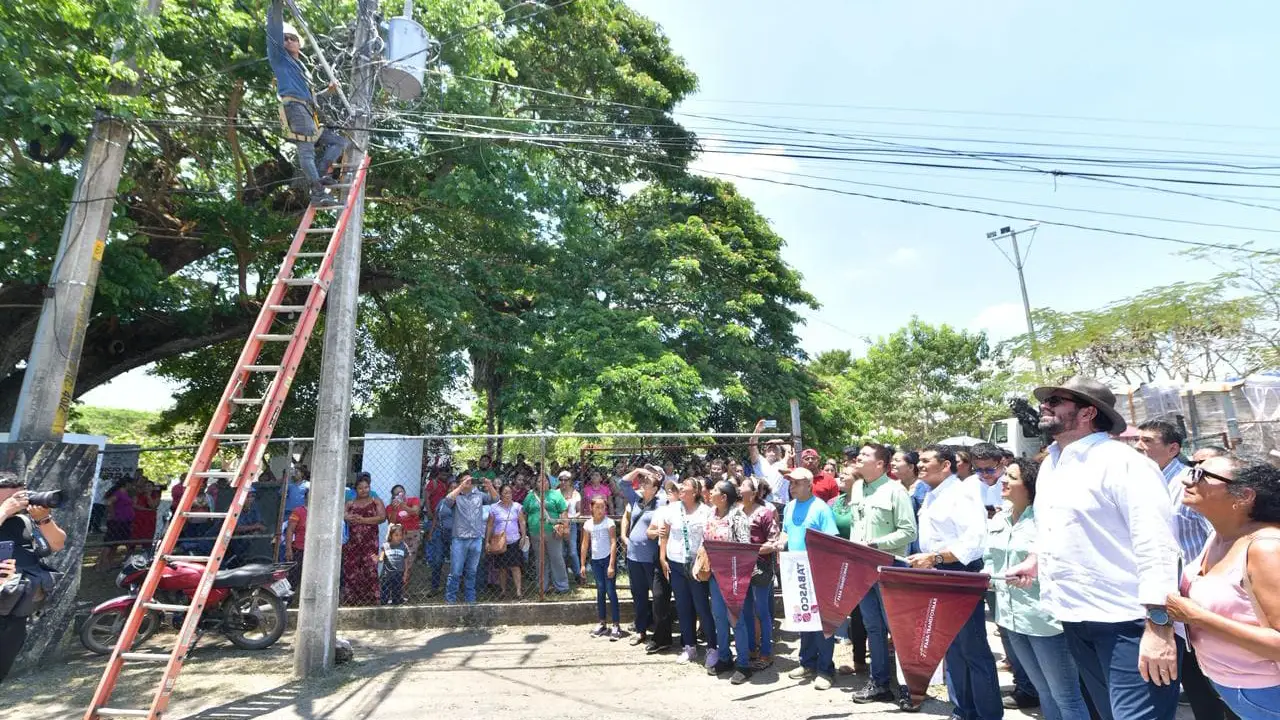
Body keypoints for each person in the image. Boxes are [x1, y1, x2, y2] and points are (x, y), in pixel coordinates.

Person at [1008, 376, 1182, 720]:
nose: (1044, 405)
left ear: (1088, 412)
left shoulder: (1124, 463)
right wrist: (1036, 559)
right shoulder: (1052, 464)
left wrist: (1159, 627)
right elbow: (1056, 526)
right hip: (1075, 616)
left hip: (1127, 622)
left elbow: (1157, 546)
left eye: (1056, 400)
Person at [1168, 459, 1280, 720]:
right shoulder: (1220, 537)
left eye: (1201, 474)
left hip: (1268, 691)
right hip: (1237, 686)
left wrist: (1196, 617)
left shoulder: (1266, 549)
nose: (1187, 480)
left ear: (1244, 496)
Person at [1137, 421, 1231, 720]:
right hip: (1171, 602)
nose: (1139, 446)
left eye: (1147, 440)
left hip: (1198, 602)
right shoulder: (1145, 482)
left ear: (1173, 448)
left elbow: (1217, 536)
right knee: (1193, 679)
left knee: (1217, 681)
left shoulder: (1188, 485)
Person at [987, 459, 1091, 720]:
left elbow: (1065, 564)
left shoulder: (1047, 521)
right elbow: (991, 559)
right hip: (1012, 617)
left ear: (1030, 485)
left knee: (1066, 695)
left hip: (1045, 619)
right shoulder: (999, 518)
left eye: (1011, 476)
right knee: (1043, 691)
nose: (1003, 480)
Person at [906, 444, 1001, 718]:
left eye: (926, 461)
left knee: (973, 650)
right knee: (952, 648)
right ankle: (963, 710)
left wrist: (935, 558)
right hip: (937, 575)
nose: (919, 465)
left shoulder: (961, 494)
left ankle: (988, 714)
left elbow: (973, 543)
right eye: (919, 460)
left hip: (959, 575)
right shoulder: (932, 495)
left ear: (945, 465)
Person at [848, 443, 919, 707]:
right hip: (862, 568)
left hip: (890, 566)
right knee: (873, 627)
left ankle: (910, 687)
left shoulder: (895, 491)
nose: (859, 457)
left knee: (896, 629)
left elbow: (909, 532)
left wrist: (876, 544)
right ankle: (879, 684)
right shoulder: (857, 487)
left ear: (880, 464)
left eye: (865, 455)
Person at [972, 443, 1039, 710]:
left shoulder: (1040, 515)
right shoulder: (974, 491)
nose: (988, 476)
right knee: (1008, 635)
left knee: (1055, 677)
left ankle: (1033, 687)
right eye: (980, 470)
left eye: (991, 469)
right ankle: (1025, 685)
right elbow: (989, 548)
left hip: (1033, 599)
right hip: (998, 582)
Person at [265, 0, 348, 208]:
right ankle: (318, 192)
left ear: (299, 43)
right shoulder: (279, 58)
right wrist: (277, 6)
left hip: (308, 111)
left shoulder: (301, 67)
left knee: (339, 142)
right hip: (295, 109)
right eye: (285, 38)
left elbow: (310, 97)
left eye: (292, 38)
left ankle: (319, 175)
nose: (288, 41)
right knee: (306, 152)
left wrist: (327, 92)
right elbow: (273, 30)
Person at [777, 467, 841, 691]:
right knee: (803, 616)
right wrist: (780, 542)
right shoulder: (790, 506)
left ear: (808, 484)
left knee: (821, 622)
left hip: (817, 571)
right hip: (796, 569)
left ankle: (825, 669)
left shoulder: (821, 508)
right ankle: (807, 662)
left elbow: (831, 540)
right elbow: (786, 531)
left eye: (795, 483)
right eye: (790, 483)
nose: (791, 487)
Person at [0, 474, 66, 682]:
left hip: (14, 611)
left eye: (21, 495)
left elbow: (57, 544)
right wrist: (3, 511)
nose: (17, 501)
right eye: (10, 497)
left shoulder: (24, 521)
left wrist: (43, 519)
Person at [657, 477, 716, 667]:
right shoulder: (673, 509)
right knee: (682, 606)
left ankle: (712, 648)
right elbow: (664, 531)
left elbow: (709, 537)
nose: (680, 490)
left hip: (696, 565)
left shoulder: (705, 512)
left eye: (685, 488)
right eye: (680, 487)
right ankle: (689, 646)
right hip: (676, 562)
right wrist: (662, 556)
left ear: (695, 492)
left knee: (702, 607)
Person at [704, 479, 754, 683]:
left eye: (714, 490)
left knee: (736, 619)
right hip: (715, 575)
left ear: (724, 497)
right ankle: (724, 657)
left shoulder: (738, 516)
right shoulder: (711, 513)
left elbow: (745, 546)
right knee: (719, 616)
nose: (710, 492)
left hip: (733, 576)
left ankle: (743, 663)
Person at [829, 458, 869, 677]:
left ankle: (861, 659)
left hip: (861, 564)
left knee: (862, 613)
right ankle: (855, 656)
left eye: (846, 474)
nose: (841, 477)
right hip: (840, 564)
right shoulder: (836, 502)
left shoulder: (863, 503)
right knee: (849, 612)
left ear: (858, 480)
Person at [739, 476, 780, 672]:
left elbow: (773, 542)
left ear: (753, 492)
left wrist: (751, 550)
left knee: (762, 611)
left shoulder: (765, 513)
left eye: (743, 486)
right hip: (740, 568)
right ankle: (750, 649)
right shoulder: (737, 512)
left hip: (761, 568)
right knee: (746, 610)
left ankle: (766, 652)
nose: (739, 488)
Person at [621, 467, 663, 648]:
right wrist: (639, 470)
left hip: (651, 559)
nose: (644, 483)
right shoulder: (636, 500)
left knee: (659, 596)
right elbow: (623, 483)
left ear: (655, 489)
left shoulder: (661, 504)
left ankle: (659, 634)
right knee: (638, 595)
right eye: (643, 480)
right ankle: (641, 630)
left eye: (648, 482)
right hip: (633, 558)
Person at [445, 470, 498, 604]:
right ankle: (450, 600)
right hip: (459, 539)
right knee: (456, 572)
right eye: (465, 480)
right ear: (460, 482)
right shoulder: (457, 495)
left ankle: (470, 600)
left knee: (472, 572)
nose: (469, 482)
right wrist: (461, 487)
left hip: (476, 538)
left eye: (471, 479)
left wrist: (490, 486)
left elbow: (495, 499)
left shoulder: (479, 495)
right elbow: (447, 501)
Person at [645, 478, 682, 655]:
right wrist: (655, 532)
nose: (670, 491)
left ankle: (688, 638)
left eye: (673, 489)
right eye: (668, 489)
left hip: (681, 556)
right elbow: (649, 532)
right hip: (662, 555)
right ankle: (661, 638)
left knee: (685, 600)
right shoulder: (661, 510)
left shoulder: (685, 509)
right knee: (659, 598)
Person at [581, 496, 623, 640]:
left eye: (603, 507)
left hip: (607, 560)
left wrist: (611, 564)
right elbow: (585, 544)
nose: (600, 510)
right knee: (600, 591)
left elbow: (613, 543)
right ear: (591, 508)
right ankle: (602, 623)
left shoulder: (609, 523)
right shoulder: (588, 525)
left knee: (611, 591)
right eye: (597, 507)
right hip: (595, 560)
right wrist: (582, 564)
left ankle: (616, 624)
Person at [342, 477, 385, 606]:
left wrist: (363, 520)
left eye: (366, 487)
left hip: (370, 542)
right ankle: (352, 600)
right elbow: (342, 515)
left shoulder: (375, 501)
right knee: (352, 569)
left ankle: (371, 599)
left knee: (370, 568)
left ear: (370, 487)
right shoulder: (350, 503)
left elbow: (382, 518)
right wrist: (348, 517)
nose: (364, 490)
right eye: (360, 488)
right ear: (356, 490)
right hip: (352, 543)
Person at [524, 472, 569, 594]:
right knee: (540, 560)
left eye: (545, 480)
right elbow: (524, 512)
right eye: (539, 481)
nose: (542, 483)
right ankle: (542, 587)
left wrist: (564, 527)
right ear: (535, 483)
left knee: (556, 558)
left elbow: (564, 512)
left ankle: (562, 586)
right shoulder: (530, 496)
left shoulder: (556, 495)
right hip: (535, 533)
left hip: (552, 532)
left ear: (549, 482)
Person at [486, 484, 526, 599]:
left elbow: (522, 522)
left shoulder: (517, 507)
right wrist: (487, 542)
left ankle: (518, 591)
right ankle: (503, 591)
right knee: (502, 568)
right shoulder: (494, 508)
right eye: (505, 493)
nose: (508, 495)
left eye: (510, 493)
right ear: (500, 494)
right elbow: (490, 525)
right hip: (499, 542)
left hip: (514, 540)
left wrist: (523, 536)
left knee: (515, 566)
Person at [426, 477, 458, 596]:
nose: (453, 490)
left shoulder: (461, 502)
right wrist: (431, 533)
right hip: (440, 533)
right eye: (451, 488)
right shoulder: (442, 501)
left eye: (456, 488)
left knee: (456, 561)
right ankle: (434, 587)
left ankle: (455, 587)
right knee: (437, 560)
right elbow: (435, 517)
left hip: (455, 536)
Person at [385, 484, 423, 584]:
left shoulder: (413, 500)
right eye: (396, 494)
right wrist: (394, 509)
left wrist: (403, 506)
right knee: (396, 564)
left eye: (401, 492)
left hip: (412, 535)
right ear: (393, 496)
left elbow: (415, 512)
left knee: (408, 564)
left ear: (405, 493)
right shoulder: (390, 507)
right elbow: (391, 523)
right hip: (398, 536)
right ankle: (394, 590)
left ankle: (403, 592)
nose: (399, 495)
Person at [749, 419, 792, 506]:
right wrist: (757, 430)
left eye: (775, 447)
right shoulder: (760, 461)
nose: (772, 448)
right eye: (769, 447)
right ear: (765, 452)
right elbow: (752, 446)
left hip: (780, 503)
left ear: (780, 452)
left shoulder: (784, 462)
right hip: (761, 501)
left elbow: (790, 450)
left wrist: (779, 441)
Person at [96, 478, 135, 571]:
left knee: (115, 544)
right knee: (109, 543)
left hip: (125, 521)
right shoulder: (119, 493)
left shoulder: (126, 493)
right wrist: (112, 514)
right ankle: (101, 564)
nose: (132, 486)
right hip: (117, 521)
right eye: (131, 484)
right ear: (126, 484)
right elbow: (109, 502)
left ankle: (109, 563)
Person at [559, 472, 583, 587]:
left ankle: (579, 576)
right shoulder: (556, 493)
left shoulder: (576, 494)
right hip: (558, 524)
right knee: (561, 552)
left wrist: (571, 518)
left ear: (570, 481)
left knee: (572, 552)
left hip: (571, 525)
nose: (563, 482)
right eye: (561, 479)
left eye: (566, 479)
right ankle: (563, 578)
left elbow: (579, 511)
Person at [284, 488, 308, 597]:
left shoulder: (321, 512)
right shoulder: (298, 511)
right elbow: (290, 530)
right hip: (300, 549)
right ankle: (286, 600)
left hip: (315, 551)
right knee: (293, 577)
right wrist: (288, 549)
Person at [379, 524, 409, 606]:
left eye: (400, 535)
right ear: (390, 535)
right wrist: (377, 559)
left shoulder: (404, 546)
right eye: (396, 535)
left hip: (398, 573)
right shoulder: (385, 546)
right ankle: (384, 604)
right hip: (386, 574)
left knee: (397, 591)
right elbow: (381, 558)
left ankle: (396, 603)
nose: (399, 537)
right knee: (385, 591)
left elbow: (406, 560)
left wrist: (405, 573)